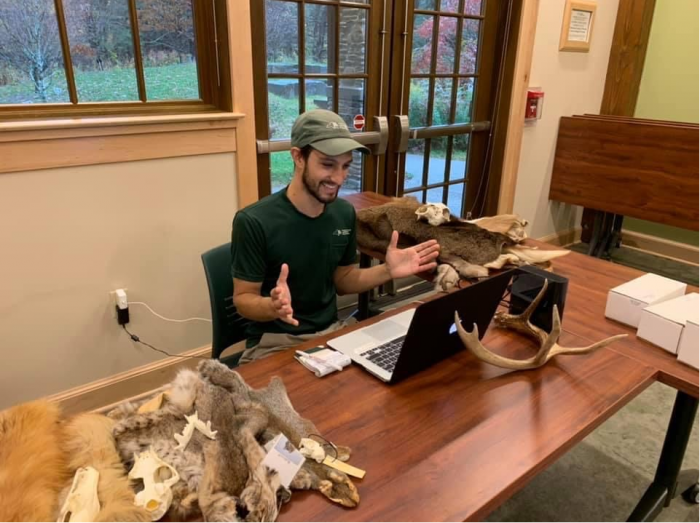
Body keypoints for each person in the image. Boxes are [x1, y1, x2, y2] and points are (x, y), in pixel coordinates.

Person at [231, 109, 440, 363]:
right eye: (328, 165)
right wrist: (272, 307)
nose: (339, 178)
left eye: (346, 166)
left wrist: (387, 270)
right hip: (275, 343)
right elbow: (243, 299)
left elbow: (343, 280)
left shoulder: (343, 213)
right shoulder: (253, 221)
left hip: (331, 336)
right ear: (298, 157)